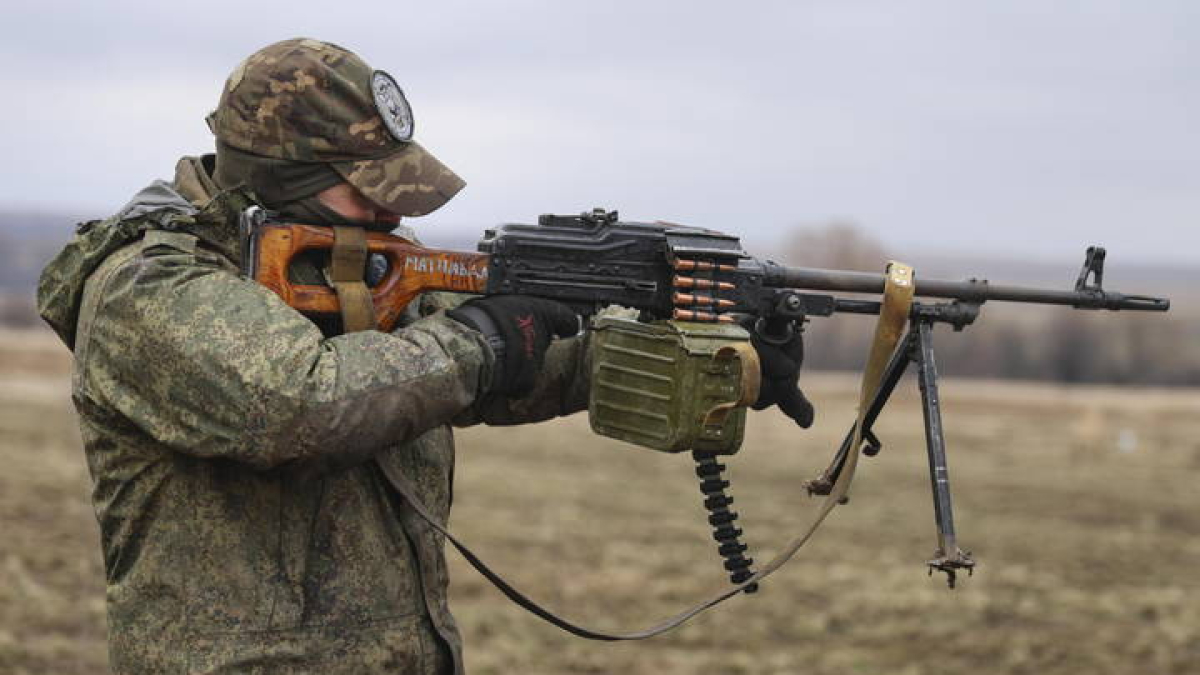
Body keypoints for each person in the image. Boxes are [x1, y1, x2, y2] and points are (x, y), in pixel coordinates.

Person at [37, 38, 813, 674]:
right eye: (363, 188)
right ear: (284, 177)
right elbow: (300, 402)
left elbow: (502, 366)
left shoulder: (350, 264)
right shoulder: (150, 285)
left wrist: (712, 350)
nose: (390, 210)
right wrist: (483, 337)